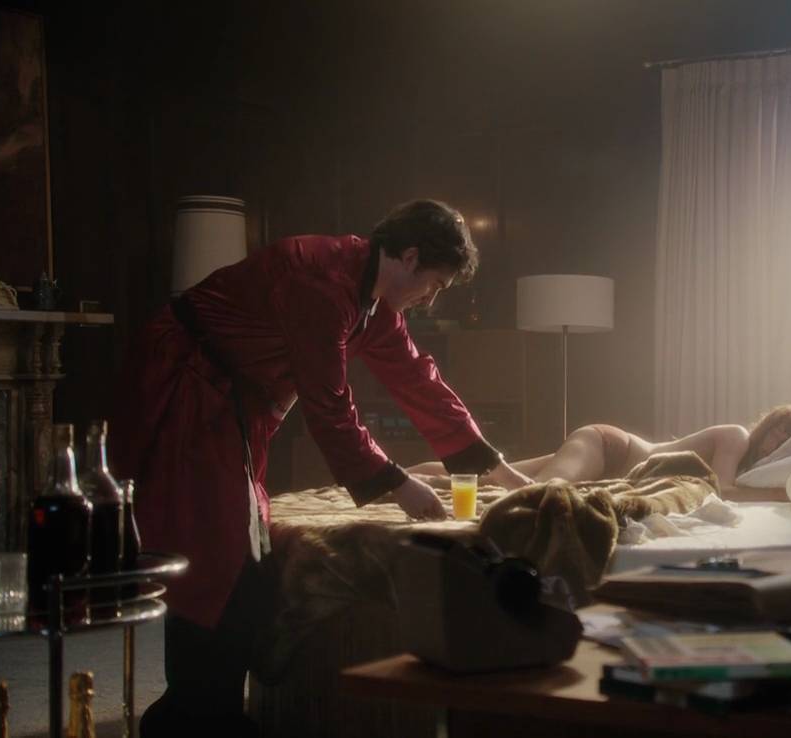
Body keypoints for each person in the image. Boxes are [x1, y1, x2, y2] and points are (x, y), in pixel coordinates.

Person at [110, 199, 531, 735]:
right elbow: (329, 406)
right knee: (214, 549)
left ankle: (203, 711)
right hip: (188, 386)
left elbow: (419, 381)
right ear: (409, 257)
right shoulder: (322, 282)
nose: (430, 299)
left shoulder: (375, 301)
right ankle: (192, 716)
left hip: (232, 402)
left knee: (244, 549)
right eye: (435, 285)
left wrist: (497, 468)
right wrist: (398, 484)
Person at [409, 404, 791, 492]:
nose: (778, 441)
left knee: (494, 475)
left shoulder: (753, 466)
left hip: (611, 466)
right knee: (541, 492)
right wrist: (785, 495)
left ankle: (408, 475)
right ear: (769, 424)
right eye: (780, 430)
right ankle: (426, 484)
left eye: (788, 439)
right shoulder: (736, 437)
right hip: (611, 450)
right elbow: (724, 492)